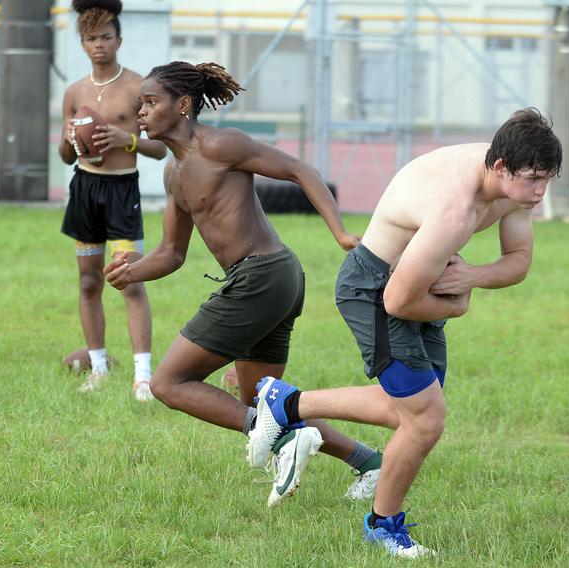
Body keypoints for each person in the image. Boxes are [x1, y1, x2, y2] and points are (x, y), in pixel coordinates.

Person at [247, 108, 562, 557]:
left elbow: (518, 261)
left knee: (410, 412)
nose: (540, 191)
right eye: (534, 179)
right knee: (425, 418)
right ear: (499, 167)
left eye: (547, 179)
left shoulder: (514, 185)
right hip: (374, 288)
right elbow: (397, 301)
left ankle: (286, 403)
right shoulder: (454, 208)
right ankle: (382, 525)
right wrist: (459, 303)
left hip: (418, 281)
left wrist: (471, 276)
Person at [104, 61, 384, 506]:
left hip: (263, 276)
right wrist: (130, 270)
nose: (141, 112)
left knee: (168, 383)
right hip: (272, 278)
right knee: (264, 400)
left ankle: (278, 440)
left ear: (183, 104)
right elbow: (171, 254)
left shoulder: (221, 144)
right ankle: (371, 463)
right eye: (140, 103)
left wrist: (342, 233)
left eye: (151, 102)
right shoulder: (173, 174)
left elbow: (301, 170)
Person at [59, 0, 167, 399]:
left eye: (106, 36)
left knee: (129, 281)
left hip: (122, 189)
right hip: (85, 189)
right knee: (88, 281)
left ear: (118, 39)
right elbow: (65, 156)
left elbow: (161, 150)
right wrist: (71, 139)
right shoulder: (74, 93)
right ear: (83, 43)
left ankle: (142, 376)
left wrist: (130, 140)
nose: (99, 44)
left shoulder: (139, 88)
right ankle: (99, 368)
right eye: (91, 38)